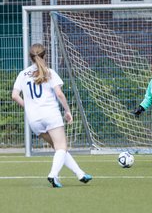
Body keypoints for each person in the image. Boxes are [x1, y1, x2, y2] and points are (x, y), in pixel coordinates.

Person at [11, 43, 92, 188]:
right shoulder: (50, 72)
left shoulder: (22, 74)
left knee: (59, 147)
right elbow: (59, 94)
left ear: (31, 57)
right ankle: (53, 175)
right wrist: (67, 111)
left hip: (34, 119)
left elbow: (15, 96)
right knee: (61, 146)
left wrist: (28, 107)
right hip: (50, 115)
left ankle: (80, 173)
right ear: (45, 55)